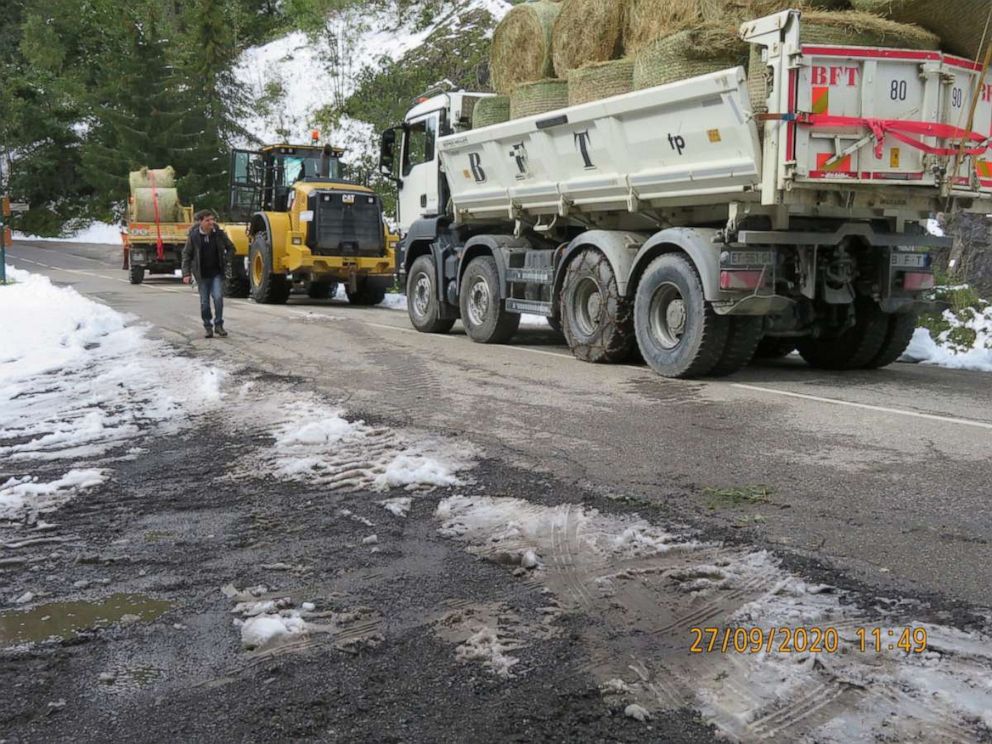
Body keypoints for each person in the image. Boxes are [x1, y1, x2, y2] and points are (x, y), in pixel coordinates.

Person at [181, 209, 235, 338]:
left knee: (218, 298)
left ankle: (219, 325)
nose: (211, 222)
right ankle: (208, 327)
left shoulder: (219, 234)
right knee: (205, 303)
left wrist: (227, 260)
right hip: (202, 275)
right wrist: (186, 273)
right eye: (207, 220)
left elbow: (231, 248)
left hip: (217, 273)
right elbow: (186, 254)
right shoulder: (194, 236)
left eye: (212, 219)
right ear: (201, 222)